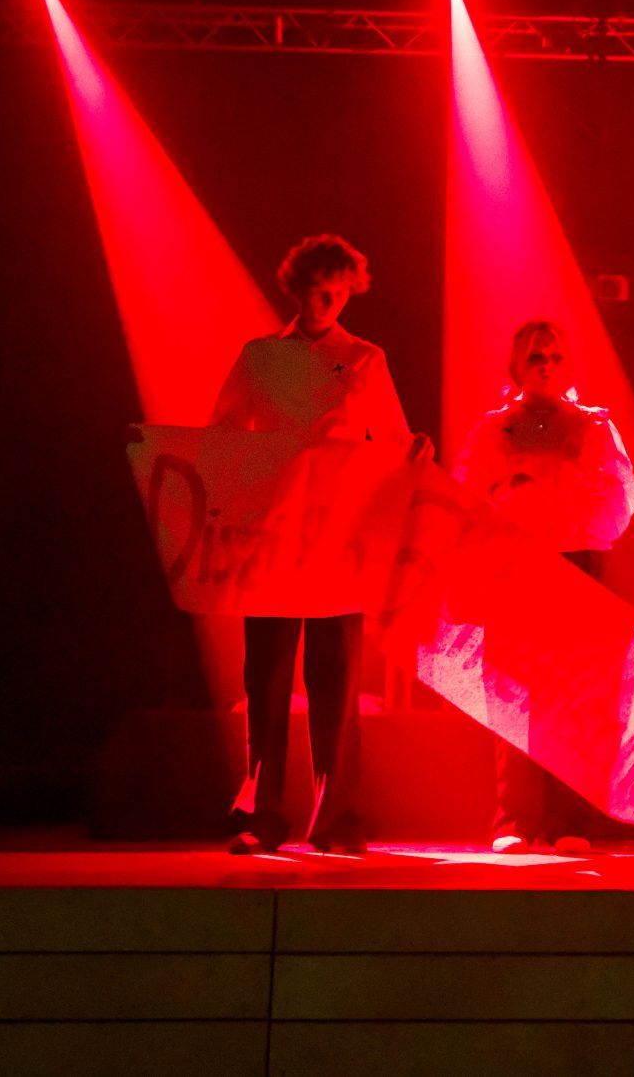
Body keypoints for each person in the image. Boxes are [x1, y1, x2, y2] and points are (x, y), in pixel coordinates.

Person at [209, 234, 415, 855]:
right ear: (296, 288)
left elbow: (393, 440)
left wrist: (414, 455)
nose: (327, 300)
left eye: (338, 291)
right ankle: (262, 816)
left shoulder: (365, 359)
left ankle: (337, 822)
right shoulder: (261, 355)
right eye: (317, 289)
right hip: (272, 539)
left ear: (350, 291)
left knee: (336, 683)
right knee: (266, 682)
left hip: (338, 540)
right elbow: (222, 434)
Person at [453, 318, 634, 854]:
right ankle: (514, 820)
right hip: (514, 564)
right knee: (513, 692)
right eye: (536, 355)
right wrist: (505, 495)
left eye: (554, 355)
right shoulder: (495, 429)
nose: (546, 364)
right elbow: (466, 499)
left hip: (574, 560)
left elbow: (621, 500)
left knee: (574, 694)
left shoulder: (591, 426)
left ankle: (567, 820)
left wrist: (583, 498)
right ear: (517, 363)